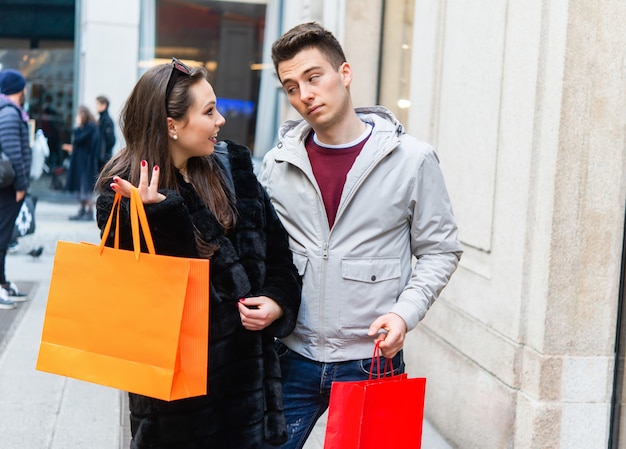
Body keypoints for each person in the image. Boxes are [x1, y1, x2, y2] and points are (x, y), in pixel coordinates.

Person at [257, 22, 463, 449]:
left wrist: (405, 314)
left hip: (371, 362)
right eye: (291, 87)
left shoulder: (412, 160)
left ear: (344, 73)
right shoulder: (277, 165)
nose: (304, 95)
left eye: (314, 77)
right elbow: (264, 251)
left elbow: (441, 249)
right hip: (292, 355)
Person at [94, 57, 302, 448]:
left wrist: (278, 301)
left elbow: (278, 256)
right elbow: (158, 305)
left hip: (252, 398)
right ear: (172, 125)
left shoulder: (232, 166)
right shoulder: (121, 193)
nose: (220, 120)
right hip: (180, 409)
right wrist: (162, 219)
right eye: (208, 111)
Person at [0, 68, 32, 308]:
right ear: (19, 89)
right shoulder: (11, 113)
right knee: (2, 238)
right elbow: (14, 153)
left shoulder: (7, 111)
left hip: (7, 186)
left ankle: (2, 283)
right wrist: (21, 185)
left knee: (3, 237)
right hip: (9, 187)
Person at [62, 105, 99, 220]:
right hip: (81, 162)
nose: (77, 118)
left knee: (85, 187)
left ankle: (89, 211)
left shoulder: (90, 128)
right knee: (80, 187)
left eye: (78, 115)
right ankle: (83, 210)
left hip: (86, 163)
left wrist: (78, 127)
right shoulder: (85, 128)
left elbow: (80, 140)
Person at [95, 95, 116, 172]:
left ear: (104, 105)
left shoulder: (107, 121)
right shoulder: (101, 119)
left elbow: (111, 140)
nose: (96, 107)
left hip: (103, 159)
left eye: (97, 104)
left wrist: (102, 153)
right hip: (100, 157)